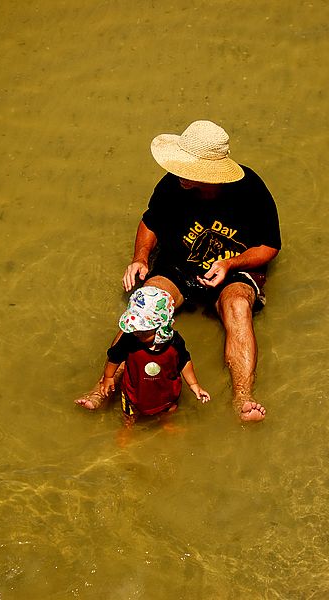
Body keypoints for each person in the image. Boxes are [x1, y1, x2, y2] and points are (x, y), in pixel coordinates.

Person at [76, 120, 281, 421]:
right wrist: (141, 258)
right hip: (178, 265)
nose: (178, 173)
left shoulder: (251, 191)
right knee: (146, 299)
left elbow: (269, 247)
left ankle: (243, 398)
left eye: (188, 169)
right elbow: (151, 221)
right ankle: (101, 387)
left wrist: (229, 264)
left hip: (232, 267)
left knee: (238, 306)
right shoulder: (173, 184)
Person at [97, 286, 210, 426]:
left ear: (161, 328)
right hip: (134, 393)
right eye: (134, 328)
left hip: (166, 394)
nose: (136, 332)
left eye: (142, 330)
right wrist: (108, 377)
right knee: (129, 414)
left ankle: (166, 423)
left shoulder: (175, 342)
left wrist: (194, 384)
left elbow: (184, 361)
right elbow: (114, 356)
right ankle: (127, 428)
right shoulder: (130, 339)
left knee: (169, 410)